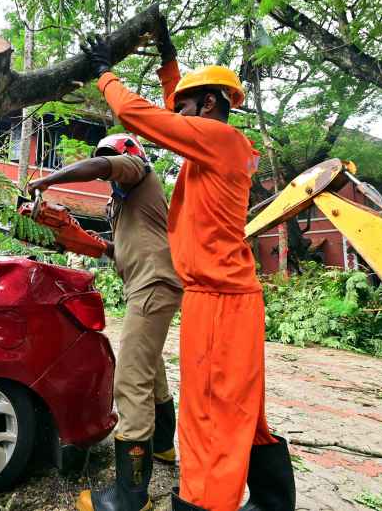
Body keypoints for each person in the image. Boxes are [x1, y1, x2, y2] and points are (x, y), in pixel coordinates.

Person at [79, 29, 296, 511]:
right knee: (241, 410)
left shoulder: (218, 140)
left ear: (212, 104)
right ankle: (270, 502)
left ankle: (204, 504)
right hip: (225, 297)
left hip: (219, 299)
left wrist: (104, 75)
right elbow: (175, 119)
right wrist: (168, 65)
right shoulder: (215, 145)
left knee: (209, 416)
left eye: (188, 103)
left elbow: (145, 118)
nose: (180, 111)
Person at [27, 132, 183, 511]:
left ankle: (131, 497)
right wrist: (69, 234)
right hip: (146, 284)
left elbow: (100, 166)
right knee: (149, 367)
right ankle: (162, 445)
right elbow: (112, 250)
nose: (106, 167)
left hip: (153, 282)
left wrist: (48, 180)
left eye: (108, 159)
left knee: (129, 379)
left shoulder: (138, 170)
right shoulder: (123, 204)